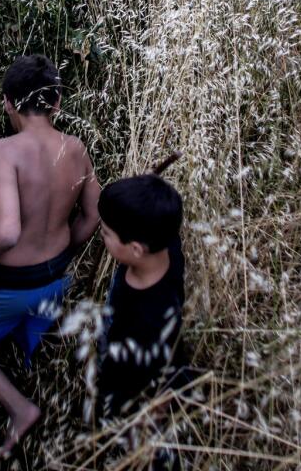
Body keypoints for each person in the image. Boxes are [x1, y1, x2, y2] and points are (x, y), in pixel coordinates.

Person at [0, 54, 101, 457]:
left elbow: (7, 233)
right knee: (30, 309)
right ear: (57, 101)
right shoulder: (75, 147)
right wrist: (65, 250)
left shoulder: (3, 151)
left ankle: (20, 407)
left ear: (8, 102)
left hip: (12, 281)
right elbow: (94, 214)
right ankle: (30, 347)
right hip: (57, 276)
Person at [96, 174, 188, 420]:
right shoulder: (165, 241)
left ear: (136, 249)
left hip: (125, 383)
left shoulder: (150, 320)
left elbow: (159, 381)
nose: (101, 236)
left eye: (106, 233)